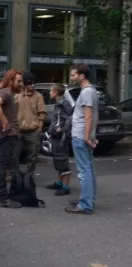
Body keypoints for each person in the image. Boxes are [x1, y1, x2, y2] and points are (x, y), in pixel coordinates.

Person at [65, 64, 98, 215]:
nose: (71, 78)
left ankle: (85, 204)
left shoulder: (86, 93)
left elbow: (88, 116)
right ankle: (88, 199)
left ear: (81, 76)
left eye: (73, 75)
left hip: (80, 136)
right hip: (85, 135)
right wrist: (91, 135)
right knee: (89, 169)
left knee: (84, 170)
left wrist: (86, 137)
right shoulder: (91, 91)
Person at [0, 69, 23, 209]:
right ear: (10, 81)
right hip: (7, 135)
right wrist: (4, 122)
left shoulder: (4, 93)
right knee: (3, 166)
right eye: (18, 81)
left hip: (3, 135)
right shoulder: (6, 93)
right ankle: (2, 198)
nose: (21, 84)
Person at [14, 72, 46, 176]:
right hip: (18, 131)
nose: (33, 85)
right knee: (15, 154)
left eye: (34, 83)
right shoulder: (17, 96)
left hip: (33, 131)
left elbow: (42, 113)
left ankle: (29, 176)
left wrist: (39, 128)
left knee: (32, 156)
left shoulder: (38, 96)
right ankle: (16, 176)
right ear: (24, 84)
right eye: (30, 83)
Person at [46, 83, 73, 196]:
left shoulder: (64, 104)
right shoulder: (58, 104)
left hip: (61, 138)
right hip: (56, 137)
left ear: (56, 92)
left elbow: (70, 118)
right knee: (57, 160)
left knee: (62, 160)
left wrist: (61, 129)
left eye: (51, 91)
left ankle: (65, 187)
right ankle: (59, 182)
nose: (49, 93)